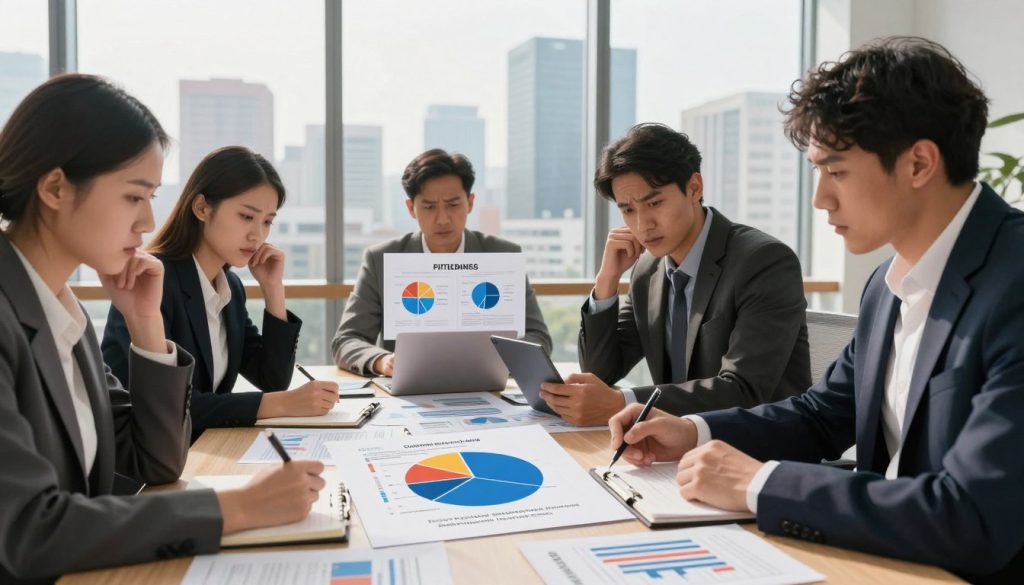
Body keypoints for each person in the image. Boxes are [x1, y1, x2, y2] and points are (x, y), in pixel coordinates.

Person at [608, 37, 1024, 583]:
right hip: (882, 559)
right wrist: (693, 430)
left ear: (919, 162)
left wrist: (759, 485)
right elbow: (822, 415)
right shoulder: (887, 284)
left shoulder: (1014, 283)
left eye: (838, 171)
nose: (820, 199)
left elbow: (973, 517)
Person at [0, 74, 323, 583]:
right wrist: (237, 510)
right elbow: (28, 532)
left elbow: (156, 461)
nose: (148, 221)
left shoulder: (62, 313)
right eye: (134, 197)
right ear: (56, 187)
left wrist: (146, 324)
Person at [540, 123, 810, 425]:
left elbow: (744, 391)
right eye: (628, 210)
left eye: (654, 203)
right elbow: (600, 373)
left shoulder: (763, 262)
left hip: (756, 449)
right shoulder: (648, 270)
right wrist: (607, 281)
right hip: (674, 447)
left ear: (694, 188)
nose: (642, 225)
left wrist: (624, 403)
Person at [102, 146, 339, 442]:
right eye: (246, 216)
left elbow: (272, 380)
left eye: (267, 221)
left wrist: (273, 290)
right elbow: (161, 406)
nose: (258, 235)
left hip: (200, 450)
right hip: (142, 468)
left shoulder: (229, 289)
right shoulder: (152, 282)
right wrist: (281, 404)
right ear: (202, 208)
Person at [331, 148, 552, 376]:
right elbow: (346, 340)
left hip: (488, 386)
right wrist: (382, 360)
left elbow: (538, 337)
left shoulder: (504, 256)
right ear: (411, 208)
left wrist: (506, 358)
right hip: (410, 393)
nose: (443, 218)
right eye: (429, 207)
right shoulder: (381, 260)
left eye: (453, 204)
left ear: (470, 202)